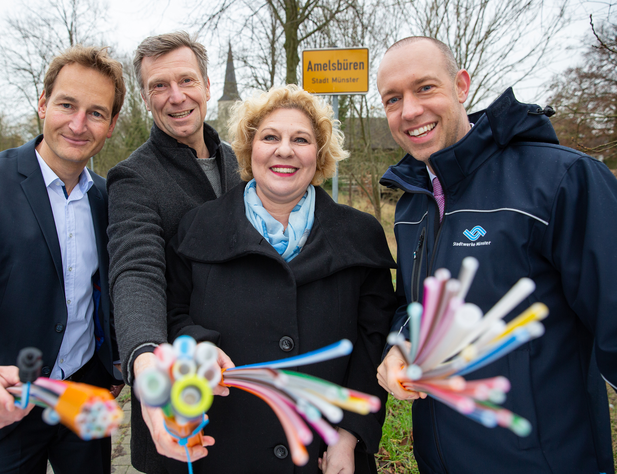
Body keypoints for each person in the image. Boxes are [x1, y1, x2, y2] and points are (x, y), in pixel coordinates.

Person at [375, 36, 617, 473]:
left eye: (425, 88)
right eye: (393, 98)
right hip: (440, 460)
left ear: (462, 85)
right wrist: (401, 344)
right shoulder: (412, 202)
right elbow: (415, 306)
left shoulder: (561, 179)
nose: (409, 110)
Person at [163, 84, 397, 473]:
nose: (284, 150)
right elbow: (172, 315)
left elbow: (374, 342)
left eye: (300, 139)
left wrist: (349, 435)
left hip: (325, 453)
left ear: (319, 155)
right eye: (270, 137)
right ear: (249, 149)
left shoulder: (360, 235)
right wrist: (197, 345)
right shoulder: (198, 228)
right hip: (222, 448)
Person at [0, 45, 125, 474]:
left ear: (111, 125)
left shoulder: (109, 198)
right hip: (4, 402)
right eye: (67, 105)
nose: (78, 123)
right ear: (43, 104)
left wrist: (119, 362)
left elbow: (114, 289)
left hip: (84, 398)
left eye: (96, 112)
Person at [106, 31, 241, 472]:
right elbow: (136, 269)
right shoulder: (133, 177)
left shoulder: (242, 161)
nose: (176, 96)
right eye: (159, 86)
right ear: (145, 98)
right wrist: (146, 358)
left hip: (249, 382)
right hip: (180, 397)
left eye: (186, 80)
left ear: (205, 85)